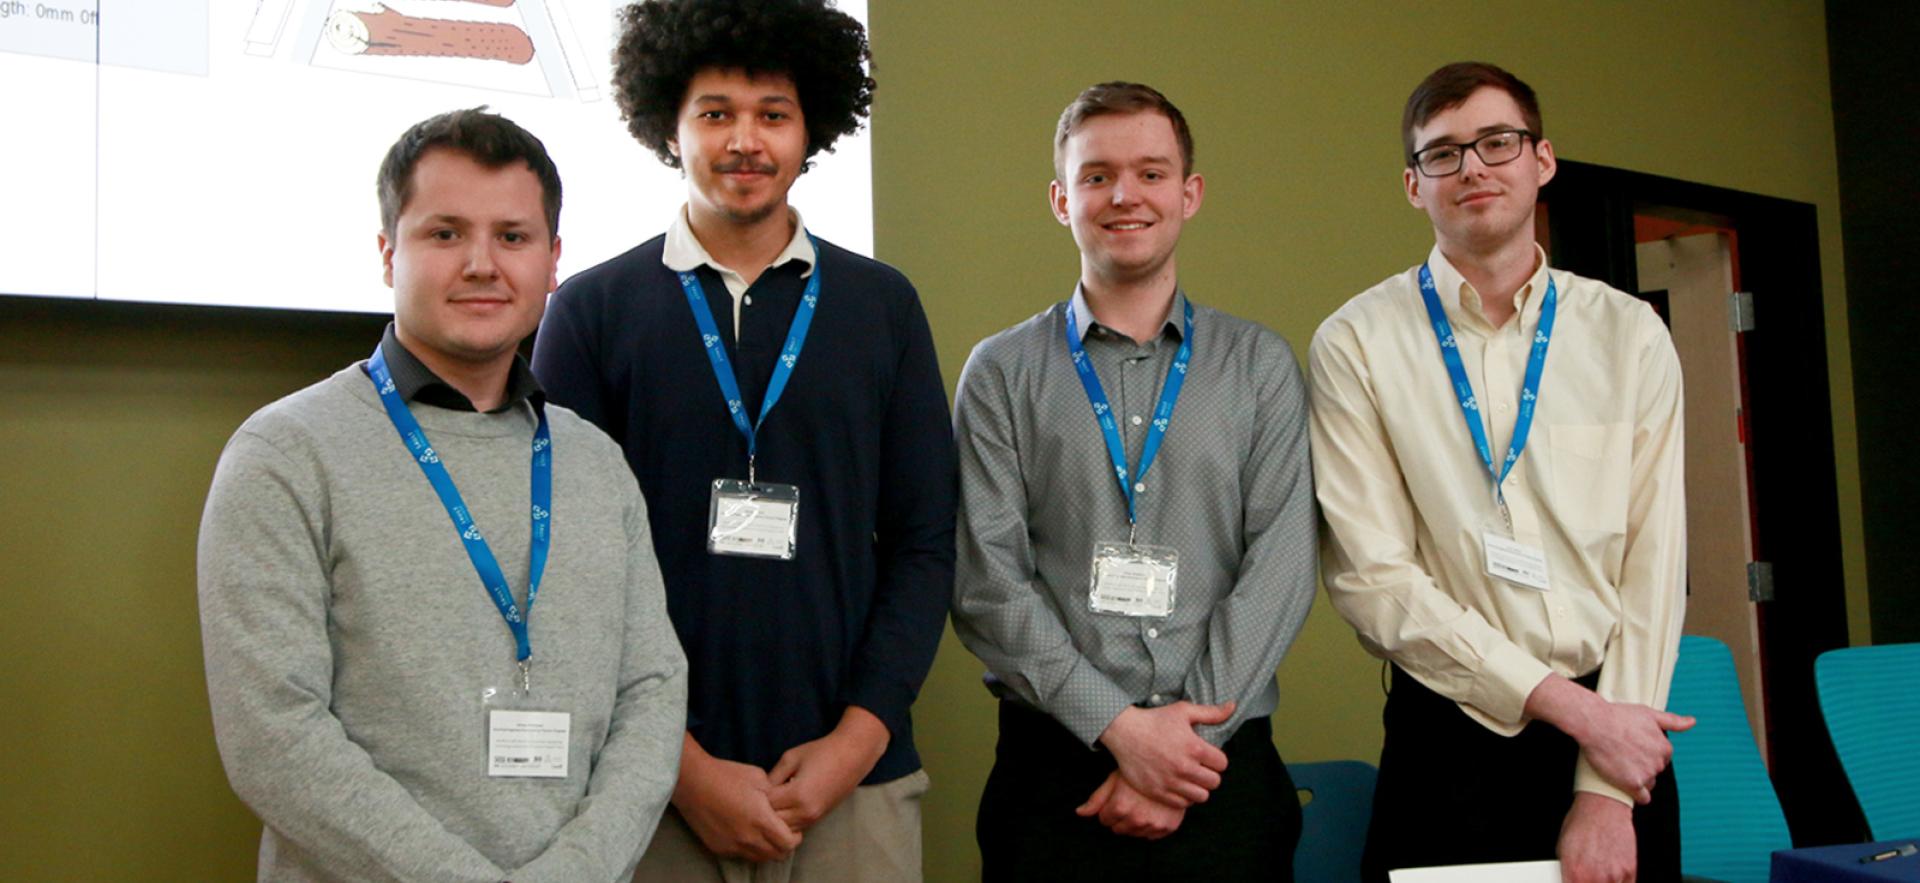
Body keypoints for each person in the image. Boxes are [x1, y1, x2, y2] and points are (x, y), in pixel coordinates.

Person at [197, 107, 687, 883]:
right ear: (389, 251)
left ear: (554, 260)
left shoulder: (596, 463)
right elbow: (274, 736)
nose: (483, 264)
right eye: (445, 233)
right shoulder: (285, 453)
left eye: (514, 237)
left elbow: (653, 693)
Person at [530, 2, 955, 880]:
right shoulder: (593, 312)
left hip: (854, 781)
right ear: (669, 128)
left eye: (773, 113)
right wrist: (680, 769)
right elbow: (561, 565)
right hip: (648, 784)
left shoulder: (884, 307)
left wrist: (856, 738)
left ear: (811, 130)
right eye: (715, 113)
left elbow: (923, 543)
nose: (745, 140)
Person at [1309, 61, 1692, 883]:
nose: (1473, 167)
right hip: (1447, 736)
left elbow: (1655, 565)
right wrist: (1576, 709)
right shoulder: (1356, 343)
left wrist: (1606, 788)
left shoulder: (1629, 335)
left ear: (1542, 160)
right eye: (1442, 154)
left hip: (1615, 742)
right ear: (1414, 185)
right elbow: (1373, 579)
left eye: (1496, 142)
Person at [950, 81, 1316, 882]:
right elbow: (988, 583)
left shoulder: (1260, 367)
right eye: (1097, 175)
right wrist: (1118, 726)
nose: (1125, 195)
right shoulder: (1001, 372)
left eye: (1151, 173)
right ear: (1061, 199)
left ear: (1189, 194)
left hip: (1222, 773)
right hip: (1053, 773)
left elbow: (1283, 569)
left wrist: (1180, 752)